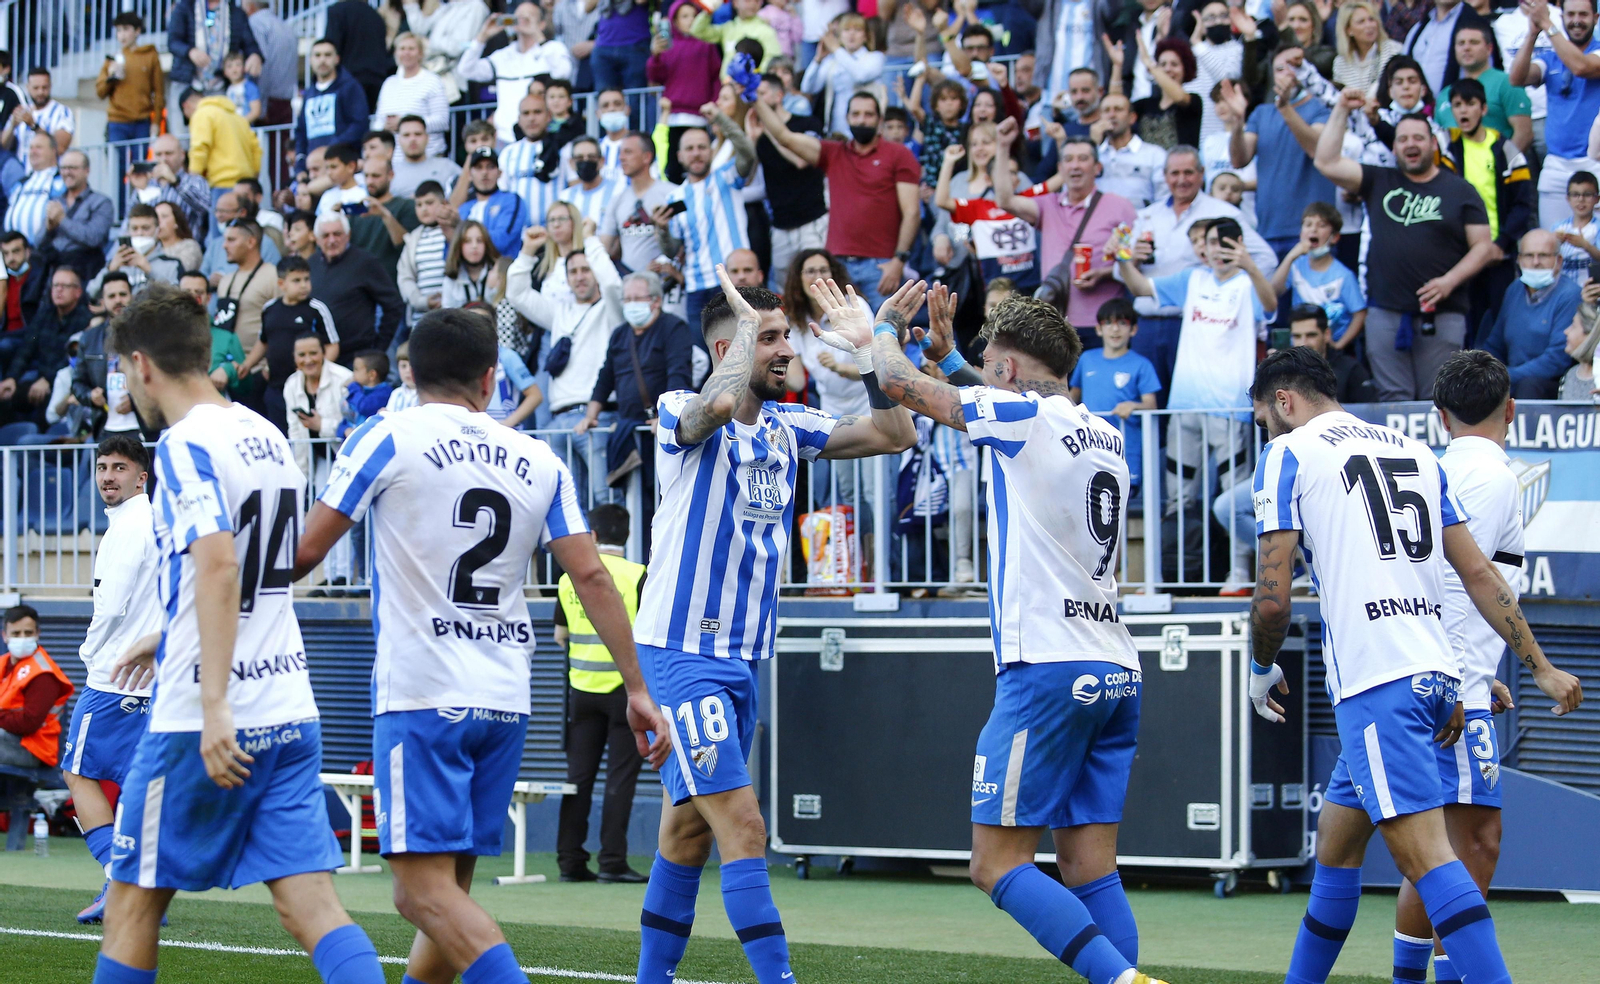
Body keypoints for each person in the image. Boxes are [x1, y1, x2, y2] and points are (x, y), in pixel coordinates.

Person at [290, 307, 666, 984]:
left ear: (410, 373)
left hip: (422, 694)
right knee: (449, 897)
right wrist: (637, 686)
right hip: (503, 696)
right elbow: (590, 574)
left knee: (417, 893)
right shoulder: (540, 458)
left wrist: (220, 571)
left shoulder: (385, 436)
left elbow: (306, 550)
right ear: (491, 379)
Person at [862, 284, 1170, 984]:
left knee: (995, 863)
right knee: (1090, 868)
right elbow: (1005, 409)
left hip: (1047, 669)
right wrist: (952, 359)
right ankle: (1122, 976)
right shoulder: (1102, 432)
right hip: (1115, 668)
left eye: (988, 361)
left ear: (1007, 372)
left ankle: (1121, 982)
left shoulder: (1023, 419)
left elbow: (894, 381)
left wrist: (885, 328)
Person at [1246, 345, 1581, 984]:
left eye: (1265, 418)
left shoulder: (1288, 453)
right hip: (1434, 676)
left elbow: (1272, 601)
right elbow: (1478, 572)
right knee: (1337, 851)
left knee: (1433, 861)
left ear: (1283, 402)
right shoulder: (1413, 450)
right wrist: (1531, 664)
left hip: (1378, 683)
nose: (1267, 431)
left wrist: (1262, 666)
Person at [90, 282, 388, 984]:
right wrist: (168, 632)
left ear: (141, 366)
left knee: (130, 907)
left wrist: (215, 700)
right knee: (312, 907)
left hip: (202, 718)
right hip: (288, 704)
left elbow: (222, 566)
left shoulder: (183, 446)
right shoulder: (266, 435)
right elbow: (259, 570)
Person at [631, 268, 915, 984]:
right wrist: (738, 346)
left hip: (743, 658)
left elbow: (895, 430)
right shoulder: (678, 415)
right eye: (771, 337)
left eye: (788, 334)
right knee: (745, 828)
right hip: (681, 653)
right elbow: (712, 408)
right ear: (729, 347)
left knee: (688, 829)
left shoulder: (791, 427)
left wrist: (877, 348)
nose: (788, 347)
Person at [1314, 88, 1496, 401]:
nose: (1411, 144)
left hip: (1442, 313)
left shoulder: (1460, 189)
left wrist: (1449, 281)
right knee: (1392, 402)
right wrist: (1342, 107)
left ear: (1433, 144)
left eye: (1418, 138)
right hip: (1385, 313)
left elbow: (1484, 247)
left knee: (1440, 401)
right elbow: (1326, 162)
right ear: (1394, 147)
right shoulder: (1379, 180)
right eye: (1403, 139)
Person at [57, 432, 161, 918]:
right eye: (102, 467)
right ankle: (143, 890)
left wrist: (88, 652)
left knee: (77, 772)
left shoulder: (129, 527)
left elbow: (111, 605)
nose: (107, 477)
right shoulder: (156, 519)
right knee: (141, 785)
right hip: (151, 677)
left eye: (119, 468)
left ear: (142, 477)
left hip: (114, 676)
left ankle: (118, 880)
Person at [1116, 145, 1276, 397]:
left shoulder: (1223, 212)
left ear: (1202, 173)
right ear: (1165, 176)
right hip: (1147, 322)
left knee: (1191, 397)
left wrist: (1225, 283)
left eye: (1188, 172)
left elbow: (1265, 258)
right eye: (1174, 173)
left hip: (1197, 323)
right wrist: (1130, 258)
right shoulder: (1147, 215)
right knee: (1149, 403)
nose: (1181, 180)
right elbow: (1120, 272)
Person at [552, 502, 650, 883]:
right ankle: (612, 861)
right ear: (626, 536)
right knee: (620, 779)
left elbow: (561, 637)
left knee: (578, 777)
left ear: (591, 535)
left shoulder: (568, 577)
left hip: (581, 690)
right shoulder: (639, 575)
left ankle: (569, 861)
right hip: (626, 691)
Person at [752, 92, 921, 313]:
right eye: (856, 114)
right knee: (844, 339)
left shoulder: (899, 154)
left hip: (881, 266)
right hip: (838, 266)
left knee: (885, 338)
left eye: (868, 114)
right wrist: (754, 96)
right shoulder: (834, 152)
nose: (862, 120)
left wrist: (899, 261)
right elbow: (785, 137)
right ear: (847, 118)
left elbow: (912, 213)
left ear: (879, 120)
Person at [508, 225, 624, 505]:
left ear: (595, 270)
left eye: (586, 269)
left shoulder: (612, 310)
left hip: (598, 417)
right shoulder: (559, 313)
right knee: (567, 504)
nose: (580, 277)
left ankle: (610, 551)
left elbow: (611, 285)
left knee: (604, 500)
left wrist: (591, 241)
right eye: (573, 271)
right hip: (558, 421)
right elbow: (517, 294)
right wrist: (526, 251)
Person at [997, 123, 1136, 334]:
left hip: (1105, 326)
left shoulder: (1120, 207)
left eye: (1083, 159)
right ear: (1060, 169)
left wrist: (1104, 273)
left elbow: (1135, 262)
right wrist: (1003, 146)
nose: (1075, 166)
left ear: (1097, 167)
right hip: (1054, 326)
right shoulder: (1048, 204)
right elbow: (1005, 200)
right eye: (1068, 160)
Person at [1222, 50, 1338, 274]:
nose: (1286, 74)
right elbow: (1238, 159)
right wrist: (1238, 121)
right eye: (1279, 69)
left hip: (1313, 232)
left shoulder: (1322, 107)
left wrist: (1285, 108)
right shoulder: (1261, 113)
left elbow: (1316, 149)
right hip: (1269, 228)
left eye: (1293, 67)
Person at [652, 111, 757, 332]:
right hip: (697, 289)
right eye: (689, 149)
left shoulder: (726, 177)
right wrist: (661, 230)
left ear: (711, 151)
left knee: (741, 351)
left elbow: (748, 154)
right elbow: (673, 250)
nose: (696, 153)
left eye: (701, 147)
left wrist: (721, 119)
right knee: (703, 359)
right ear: (679, 156)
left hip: (735, 281)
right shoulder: (674, 197)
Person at [1510, 0, 1600, 228]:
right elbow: (1516, 78)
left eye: (1583, 14)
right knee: (1553, 243)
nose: (1576, 21)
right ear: (1563, 18)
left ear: (1596, 18)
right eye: (1570, 15)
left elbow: (1581, 67)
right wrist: (1532, 33)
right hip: (1556, 164)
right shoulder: (1551, 58)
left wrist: (1548, 24)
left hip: (1595, 162)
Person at [1069, 298, 1161, 495]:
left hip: (1125, 449)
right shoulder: (1087, 359)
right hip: (1089, 447)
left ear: (1133, 330)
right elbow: (1072, 397)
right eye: (1108, 323)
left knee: (1121, 504)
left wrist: (1133, 405)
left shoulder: (1142, 364)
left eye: (1122, 323)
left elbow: (1151, 404)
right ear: (1098, 329)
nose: (1115, 329)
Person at [0, 606, 74, 848]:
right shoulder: (4, 664)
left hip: (33, 748)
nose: (22, 639)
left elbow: (29, 722)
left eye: (28, 632)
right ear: (4, 635)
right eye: (16, 633)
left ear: (38, 633)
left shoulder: (43, 672)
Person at [1480, 229, 1581, 397]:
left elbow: (1557, 359)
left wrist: (1505, 376)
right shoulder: (1514, 289)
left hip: (1549, 384)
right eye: (1528, 255)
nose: (1535, 262)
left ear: (1559, 260)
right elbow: (1495, 344)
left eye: (1543, 255)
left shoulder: (1570, 294)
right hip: (1511, 380)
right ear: (1519, 260)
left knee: (1528, 386)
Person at [243, 256, 339, 432]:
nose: (303, 285)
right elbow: (263, 342)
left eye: (306, 279)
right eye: (296, 280)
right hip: (276, 387)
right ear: (281, 284)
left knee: (303, 437)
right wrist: (247, 365)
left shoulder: (316, 309)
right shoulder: (269, 309)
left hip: (305, 389)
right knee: (280, 434)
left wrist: (318, 371)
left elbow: (332, 345)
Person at [459, 4, 574, 146]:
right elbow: (466, 70)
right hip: (504, 136)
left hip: (540, 135)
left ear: (542, 24)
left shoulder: (551, 48)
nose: (522, 20)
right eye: (518, 16)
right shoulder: (503, 55)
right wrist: (482, 36)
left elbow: (563, 73)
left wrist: (536, 34)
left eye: (529, 17)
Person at [1267, 202, 1368, 350]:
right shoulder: (1296, 265)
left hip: (1328, 352)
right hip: (1300, 349)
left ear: (1334, 237)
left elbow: (1360, 314)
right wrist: (1290, 257)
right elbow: (1273, 292)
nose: (1313, 229)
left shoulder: (1343, 276)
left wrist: (1339, 345)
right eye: (1308, 224)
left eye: (1321, 225)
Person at [309, 211, 402, 367]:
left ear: (348, 235)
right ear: (317, 240)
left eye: (337, 234)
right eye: (325, 236)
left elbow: (393, 305)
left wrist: (378, 349)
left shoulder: (366, 262)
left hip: (357, 360)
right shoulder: (310, 265)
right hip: (318, 359)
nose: (332, 240)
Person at [648, 1, 722, 186]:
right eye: (685, 16)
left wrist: (713, 105)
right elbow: (656, 77)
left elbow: (716, 78)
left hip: (700, 117)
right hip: (674, 118)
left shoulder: (707, 45)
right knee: (673, 169)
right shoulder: (668, 47)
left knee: (698, 166)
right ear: (675, 21)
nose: (690, 20)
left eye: (694, 15)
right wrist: (655, 56)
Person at [3, 267, 87, 426]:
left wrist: (47, 380)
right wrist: (12, 377)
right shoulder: (44, 314)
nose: (58, 290)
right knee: (9, 395)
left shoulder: (85, 320)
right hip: (39, 377)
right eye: (55, 286)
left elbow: (73, 358)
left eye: (64, 286)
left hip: (66, 381)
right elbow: (27, 347)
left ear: (78, 292)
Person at [164, 0, 262, 137]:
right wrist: (190, 51)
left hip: (219, 86)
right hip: (186, 82)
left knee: (220, 134)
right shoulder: (185, 8)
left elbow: (250, 44)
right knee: (182, 135)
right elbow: (173, 41)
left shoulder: (236, 13)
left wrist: (255, 55)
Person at [1434, 24, 1533, 152]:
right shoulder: (1445, 94)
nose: (1466, 48)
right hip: (1453, 169)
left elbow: (1524, 134)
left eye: (1474, 43)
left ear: (1489, 48)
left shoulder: (1507, 83)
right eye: (1461, 43)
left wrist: (1504, 166)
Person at [71, 274, 141, 437]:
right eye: (112, 296)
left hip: (142, 427)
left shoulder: (147, 334)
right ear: (103, 301)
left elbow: (159, 379)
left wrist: (137, 401)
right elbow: (77, 383)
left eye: (123, 294)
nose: (118, 300)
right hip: (104, 427)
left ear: (132, 297)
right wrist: (90, 396)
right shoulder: (89, 338)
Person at [294, 40, 371, 182]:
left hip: (343, 168)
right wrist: (300, 166)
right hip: (313, 172)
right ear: (310, 60)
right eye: (317, 55)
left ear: (337, 59)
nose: (322, 60)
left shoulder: (350, 87)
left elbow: (359, 124)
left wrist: (331, 148)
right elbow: (301, 132)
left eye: (327, 55)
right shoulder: (309, 93)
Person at [604, 132, 679, 276]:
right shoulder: (617, 200)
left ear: (647, 157)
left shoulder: (672, 193)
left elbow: (681, 244)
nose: (621, 158)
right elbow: (605, 246)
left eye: (628, 152)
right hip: (630, 284)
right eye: (620, 153)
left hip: (666, 284)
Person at [798, 11, 882, 138]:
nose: (851, 34)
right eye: (846, 30)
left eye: (857, 30)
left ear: (866, 36)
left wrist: (836, 49)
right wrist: (818, 60)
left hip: (864, 127)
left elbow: (860, 75)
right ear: (840, 35)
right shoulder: (832, 60)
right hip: (836, 129)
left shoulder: (875, 58)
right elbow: (808, 88)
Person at [181, 87, 263, 215]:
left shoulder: (202, 114)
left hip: (222, 184)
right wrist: (253, 176)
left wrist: (193, 178)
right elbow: (256, 150)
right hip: (246, 186)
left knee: (221, 233)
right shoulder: (239, 118)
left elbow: (200, 147)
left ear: (186, 106)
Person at [40, 150, 114, 285]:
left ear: (87, 171)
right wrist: (48, 228)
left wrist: (62, 220)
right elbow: (38, 242)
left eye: (72, 168)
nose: (67, 172)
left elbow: (94, 237)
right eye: (63, 168)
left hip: (85, 270)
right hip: (54, 271)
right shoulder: (56, 201)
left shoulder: (101, 202)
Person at [1402, 0, 1500, 95]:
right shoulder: (1418, 29)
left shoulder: (1476, 25)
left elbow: (1488, 75)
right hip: (1418, 109)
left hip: (1458, 106)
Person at [97, 12, 164, 149]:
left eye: (126, 29)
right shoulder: (112, 59)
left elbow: (159, 92)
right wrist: (112, 77)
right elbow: (100, 92)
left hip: (142, 121)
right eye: (119, 30)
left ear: (137, 30)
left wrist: (156, 122)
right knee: (117, 165)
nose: (122, 35)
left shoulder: (150, 56)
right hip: (117, 120)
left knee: (140, 166)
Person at [376, 33, 450, 158]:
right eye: (402, 49)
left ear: (420, 53)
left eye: (411, 49)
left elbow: (442, 121)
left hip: (428, 157)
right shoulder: (389, 83)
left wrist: (405, 123)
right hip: (394, 160)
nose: (406, 53)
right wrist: (384, 127)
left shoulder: (432, 81)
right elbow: (377, 121)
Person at [1288, 303, 1376, 402]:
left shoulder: (1351, 370)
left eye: (1311, 335)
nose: (1303, 343)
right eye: (1297, 336)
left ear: (1326, 334)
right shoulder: (1284, 372)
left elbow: (1367, 413)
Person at [1094, 93, 1168, 209]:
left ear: (1132, 118)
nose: (1112, 115)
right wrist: (1092, 146)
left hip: (1140, 224)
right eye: (1106, 111)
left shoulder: (1154, 155)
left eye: (1118, 109)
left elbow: (1164, 200)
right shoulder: (1093, 155)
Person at [215, 220, 279, 352]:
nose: (224, 246)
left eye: (231, 240)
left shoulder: (273, 276)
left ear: (251, 242)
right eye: (225, 240)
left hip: (259, 367)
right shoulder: (225, 281)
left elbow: (282, 322)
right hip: (225, 366)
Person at [397, 181, 452, 326]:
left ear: (444, 203)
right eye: (419, 205)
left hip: (453, 316)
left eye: (429, 203)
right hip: (421, 321)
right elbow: (405, 278)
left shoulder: (453, 233)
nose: (424, 209)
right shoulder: (413, 239)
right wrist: (422, 301)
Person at [326, 0, 395, 109]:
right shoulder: (376, 16)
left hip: (349, 79)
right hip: (376, 80)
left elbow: (331, 47)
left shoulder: (338, 10)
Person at [2, 133, 64, 250]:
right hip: (13, 254)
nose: (33, 151)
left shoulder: (61, 181)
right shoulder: (21, 183)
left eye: (39, 147)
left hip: (45, 251)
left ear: (53, 150)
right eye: (31, 148)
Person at [149, 134, 215, 243]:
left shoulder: (195, 181)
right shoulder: (150, 184)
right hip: (153, 250)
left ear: (182, 155)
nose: (163, 159)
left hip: (187, 248)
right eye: (159, 154)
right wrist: (139, 189)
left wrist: (176, 182)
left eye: (169, 153)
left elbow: (206, 208)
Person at [243, 0, 299, 125]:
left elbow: (260, 66)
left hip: (267, 102)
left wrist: (261, 106)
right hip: (285, 100)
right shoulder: (286, 26)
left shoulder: (255, 23)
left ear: (250, 8)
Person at [1333, 0, 1403, 93]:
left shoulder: (1393, 50)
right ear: (1349, 30)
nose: (1369, 25)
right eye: (1361, 22)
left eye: (1371, 19)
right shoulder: (1340, 63)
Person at [691, 0, 781, 72]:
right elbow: (698, 31)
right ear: (735, 3)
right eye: (748, 0)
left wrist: (751, 78)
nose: (753, 4)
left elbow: (771, 61)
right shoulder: (728, 28)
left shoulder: (766, 30)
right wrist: (709, 11)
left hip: (752, 89)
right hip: (728, 87)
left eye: (757, 1)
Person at [3, 67, 75, 155]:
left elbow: (60, 148)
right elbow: (4, 147)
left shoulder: (62, 112)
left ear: (50, 86)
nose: (40, 92)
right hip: (22, 168)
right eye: (36, 88)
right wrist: (12, 126)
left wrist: (34, 125)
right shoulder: (21, 111)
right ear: (28, 87)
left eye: (44, 87)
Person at [390, 117, 459, 200]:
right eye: (406, 135)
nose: (412, 139)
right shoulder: (389, 172)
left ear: (427, 138)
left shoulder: (446, 166)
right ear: (399, 140)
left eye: (418, 134)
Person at [560, 137, 624, 228]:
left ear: (601, 161)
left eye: (591, 157)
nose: (585, 161)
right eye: (580, 158)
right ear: (572, 163)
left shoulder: (618, 192)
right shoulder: (565, 197)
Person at [1553, 170, 1600, 285]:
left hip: (1589, 289)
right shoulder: (1558, 227)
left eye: (1587, 194)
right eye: (1575, 194)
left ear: (1597, 199)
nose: (1581, 200)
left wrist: (1585, 245)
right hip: (1562, 289)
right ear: (1568, 199)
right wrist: (1553, 242)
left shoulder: (1598, 227)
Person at [442, 220, 498, 308]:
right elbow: (448, 315)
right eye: (467, 241)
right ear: (458, 245)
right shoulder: (451, 279)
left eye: (479, 241)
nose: (474, 246)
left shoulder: (497, 274)